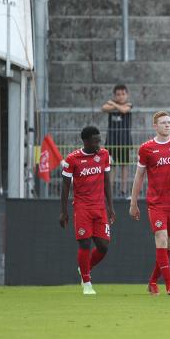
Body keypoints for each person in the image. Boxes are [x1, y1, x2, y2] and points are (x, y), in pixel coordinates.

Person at [129, 111, 170, 295]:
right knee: (161, 240)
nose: (167, 125)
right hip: (156, 203)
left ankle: (152, 282)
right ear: (155, 126)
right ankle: (169, 285)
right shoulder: (146, 148)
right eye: (163, 123)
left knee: (168, 247)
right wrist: (133, 202)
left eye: (169, 122)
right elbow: (139, 176)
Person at [59, 126, 115, 296]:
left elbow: (106, 182)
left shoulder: (104, 155)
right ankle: (87, 283)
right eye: (95, 141)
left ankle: (84, 268)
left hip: (99, 208)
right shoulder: (72, 159)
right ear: (85, 141)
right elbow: (65, 186)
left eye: (99, 140)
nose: (98, 144)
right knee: (84, 243)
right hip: (82, 207)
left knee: (103, 247)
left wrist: (110, 207)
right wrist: (64, 211)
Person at [102, 84, 133, 197]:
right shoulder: (111, 107)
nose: (121, 97)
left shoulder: (128, 104)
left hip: (124, 142)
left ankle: (123, 191)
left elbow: (125, 110)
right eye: (118, 94)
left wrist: (114, 104)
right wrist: (115, 105)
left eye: (123, 94)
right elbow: (104, 108)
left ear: (127, 95)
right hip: (111, 142)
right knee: (111, 166)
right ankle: (110, 192)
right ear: (115, 95)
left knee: (124, 165)